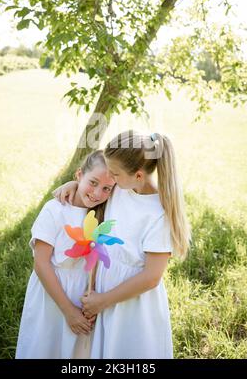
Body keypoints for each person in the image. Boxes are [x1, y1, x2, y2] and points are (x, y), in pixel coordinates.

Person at [54, 130, 191, 359]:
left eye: (114, 174)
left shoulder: (158, 214)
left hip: (131, 304)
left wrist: (102, 301)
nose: (111, 179)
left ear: (138, 175)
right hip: (105, 296)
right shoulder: (122, 186)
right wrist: (74, 185)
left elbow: (151, 277)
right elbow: (97, 184)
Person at [15, 150, 115, 359]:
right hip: (53, 294)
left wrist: (90, 301)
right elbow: (41, 264)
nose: (97, 193)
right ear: (79, 175)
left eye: (107, 188)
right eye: (93, 182)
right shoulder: (55, 210)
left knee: (75, 353)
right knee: (46, 346)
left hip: (82, 294)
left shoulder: (103, 212)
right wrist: (68, 310)